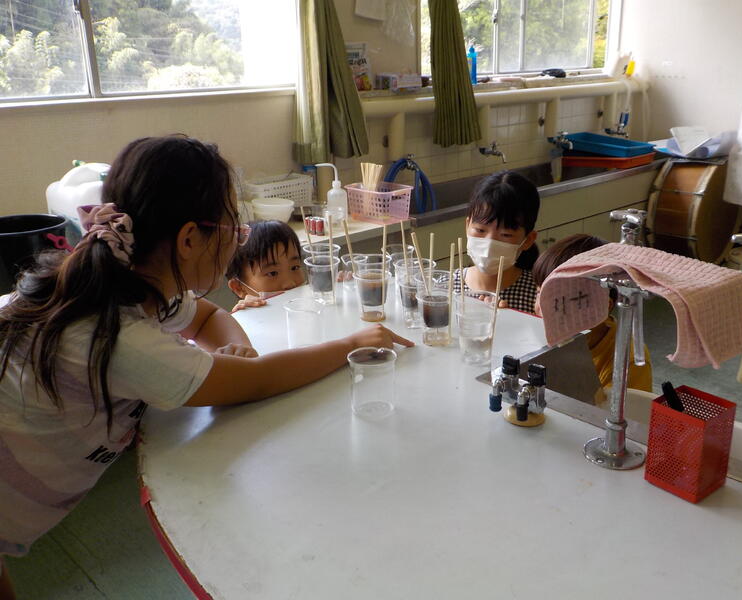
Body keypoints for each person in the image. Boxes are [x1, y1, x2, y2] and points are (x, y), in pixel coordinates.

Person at [0, 136, 412, 599]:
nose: (238, 239)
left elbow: (208, 317)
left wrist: (237, 349)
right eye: (234, 227)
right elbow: (259, 382)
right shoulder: (120, 338)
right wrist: (350, 344)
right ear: (189, 239)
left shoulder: (125, 282)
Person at [531, 233, 653, 392]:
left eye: (559, 301)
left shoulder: (626, 361)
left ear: (602, 307)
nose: (542, 308)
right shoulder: (537, 335)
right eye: (539, 293)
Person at [453, 170, 540, 313]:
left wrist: (514, 321)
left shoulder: (538, 297)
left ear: (528, 240)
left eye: (505, 235)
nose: (489, 244)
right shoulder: (447, 286)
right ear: (467, 226)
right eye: (480, 230)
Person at [225, 220, 305, 313]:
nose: (290, 284)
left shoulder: (307, 306)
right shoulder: (245, 318)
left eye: (295, 267)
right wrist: (246, 317)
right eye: (273, 273)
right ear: (239, 288)